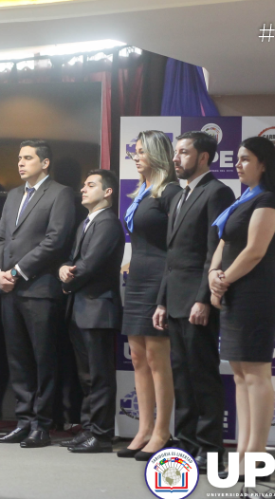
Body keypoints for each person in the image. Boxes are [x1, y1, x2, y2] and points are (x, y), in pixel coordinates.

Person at [153, 131, 236, 472]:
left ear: (203, 157)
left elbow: (212, 255)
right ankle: (185, 444)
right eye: (176, 153)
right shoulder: (178, 196)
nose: (176, 159)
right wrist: (161, 301)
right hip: (173, 300)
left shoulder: (218, 192)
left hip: (197, 303)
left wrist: (204, 299)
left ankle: (210, 449)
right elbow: (171, 256)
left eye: (184, 153)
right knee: (181, 377)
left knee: (202, 377)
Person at [208, 137, 275, 473]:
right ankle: (242, 452)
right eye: (237, 159)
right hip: (235, 294)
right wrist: (214, 274)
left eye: (245, 159)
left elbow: (255, 251)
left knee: (256, 375)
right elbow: (224, 241)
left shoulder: (268, 199)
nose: (238, 165)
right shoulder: (243, 199)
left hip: (256, 295)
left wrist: (223, 279)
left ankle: (255, 456)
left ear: (264, 164)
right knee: (240, 375)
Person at [0, 140, 76, 448]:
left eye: (28, 157)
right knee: (18, 360)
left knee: (43, 359)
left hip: (39, 289)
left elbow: (55, 241)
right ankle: (23, 420)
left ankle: (42, 424)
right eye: (19, 157)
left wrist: (16, 272)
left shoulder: (61, 193)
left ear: (45, 162)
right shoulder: (13, 196)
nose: (21, 163)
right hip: (8, 291)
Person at [116, 131, 182, 461]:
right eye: (135, 152)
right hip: (137, 278)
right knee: (138, 357)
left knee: (158, 360)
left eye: (142, 152)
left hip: (160, 280)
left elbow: (176, 245)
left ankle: (162, 431)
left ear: (158, 155)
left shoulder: (170, 192)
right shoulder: (141, 192)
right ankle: (143, 429)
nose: (136, 157)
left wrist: (166, 293)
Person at [59, 170, 125, 453]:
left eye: (91, 185)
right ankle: (88, 428)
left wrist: (67, 280)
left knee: (98, 375)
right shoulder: (86, 222)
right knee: (86, 375)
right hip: (81, 307)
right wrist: (62, 269)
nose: (83, 189)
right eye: (83, 184)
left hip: (99, 308)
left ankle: (101, 433)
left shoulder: (108, 223)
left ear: (108, 192)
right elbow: (74, 262)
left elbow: (90, 265)